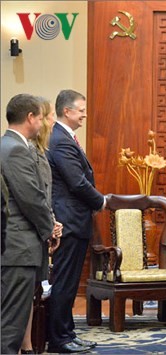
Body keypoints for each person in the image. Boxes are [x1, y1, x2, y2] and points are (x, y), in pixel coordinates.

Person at [47, 89, 105, 353]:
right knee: (65, 282)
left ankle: (68, 332)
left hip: (75, 220)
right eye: (81, 109)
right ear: (67, 111)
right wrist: (101, 201)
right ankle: (59, 339)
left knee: (69, 283)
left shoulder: (65, 137)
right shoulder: (60, 140)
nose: (84, 114)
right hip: (69, 221)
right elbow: (77, 182)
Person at [0, 94, 55, 354]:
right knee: (12, 323)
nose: (43, 123)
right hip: (18, 247)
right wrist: (50, 230)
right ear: (30, 118)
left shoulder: (6, 145)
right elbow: (31, 198)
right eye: (41, 117)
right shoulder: (16, 150)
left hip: (12, 246)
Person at [20, 98, 63, 354]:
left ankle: (28, 344)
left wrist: (53, 221)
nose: (53, 122)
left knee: (33, 294)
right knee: (23, 298)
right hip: (28, 234)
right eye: (49, 117)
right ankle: (25, 345)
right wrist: (49, 225)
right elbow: (32, 197)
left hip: (41, 229)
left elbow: (45, 196)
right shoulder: (26, 152)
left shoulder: (41, 151)